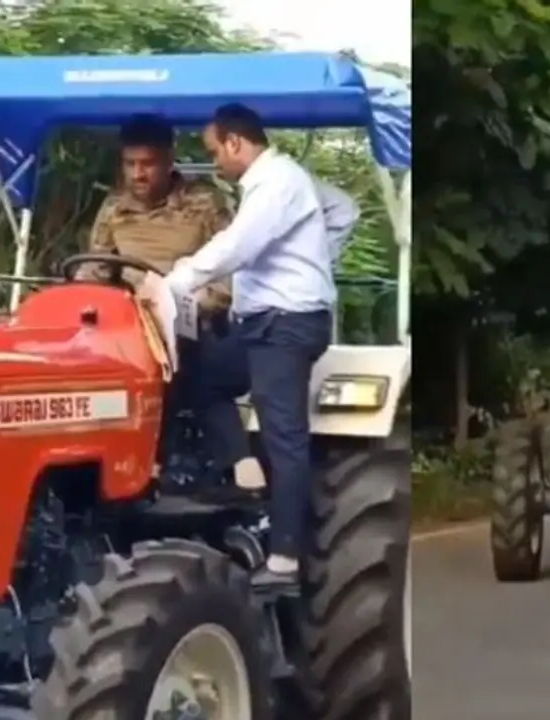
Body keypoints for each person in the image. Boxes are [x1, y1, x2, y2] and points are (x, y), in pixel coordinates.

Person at [159, 103, 358, 590]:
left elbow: (236, 247)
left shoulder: (275, 183)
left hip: (284, 325)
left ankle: (286, 559)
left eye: (215, 152)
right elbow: (343, 209)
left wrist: (175, 282)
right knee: (203, 380)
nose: (215, 162)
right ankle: (241, 470)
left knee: (283, 435)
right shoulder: (287, 180)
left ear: (235, 142)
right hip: (262, 323)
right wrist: (315, 260)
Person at [77, 115, 264, 491]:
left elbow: (231, 271)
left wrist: (193, 305)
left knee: (189, 360)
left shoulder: (204, 202)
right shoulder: (114, 209)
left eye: (147, 164)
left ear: (168, 161)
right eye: (130, 164)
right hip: (130, 324)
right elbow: (96, 270)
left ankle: (225, 462)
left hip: (197, 320)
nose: (138, 174)